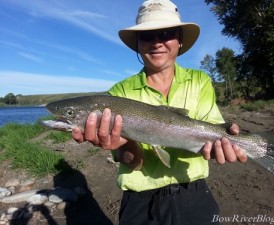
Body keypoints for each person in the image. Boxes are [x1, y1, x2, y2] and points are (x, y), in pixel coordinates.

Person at [72, 0, 247, 224]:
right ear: (138, 44)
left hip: (195, 196)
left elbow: (213, 139)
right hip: (140, 204)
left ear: (180, 41)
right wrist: (123, 144)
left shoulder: (200, 81)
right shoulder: (118, 94)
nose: (157, 42)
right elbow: (132, 162)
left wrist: (224, 144)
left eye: (166, 33)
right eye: (147, 36)